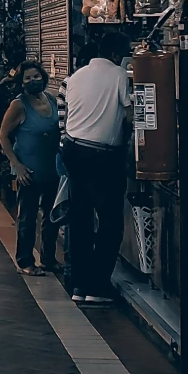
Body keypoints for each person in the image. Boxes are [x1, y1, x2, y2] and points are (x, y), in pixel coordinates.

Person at [61, 32, 133, 305]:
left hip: (73, 150)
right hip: (103, 157)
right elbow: (128, 113)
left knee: (80, 219)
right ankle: (97, 285)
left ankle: (78, 285)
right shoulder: (118, 74)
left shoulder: (76, 76)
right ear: (117, 54)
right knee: (110, 222)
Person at [0, 59, 61, 276]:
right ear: (21, 82)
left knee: (52, 217)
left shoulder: (51, 100)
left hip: (53, 170)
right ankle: (25, 261)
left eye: (36, 76)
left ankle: (48, 259)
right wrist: (17, 165)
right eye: (27, 78)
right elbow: (3, 136)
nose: (33, 80)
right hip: (29, 173)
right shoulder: (18, 105)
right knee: (28, 218)